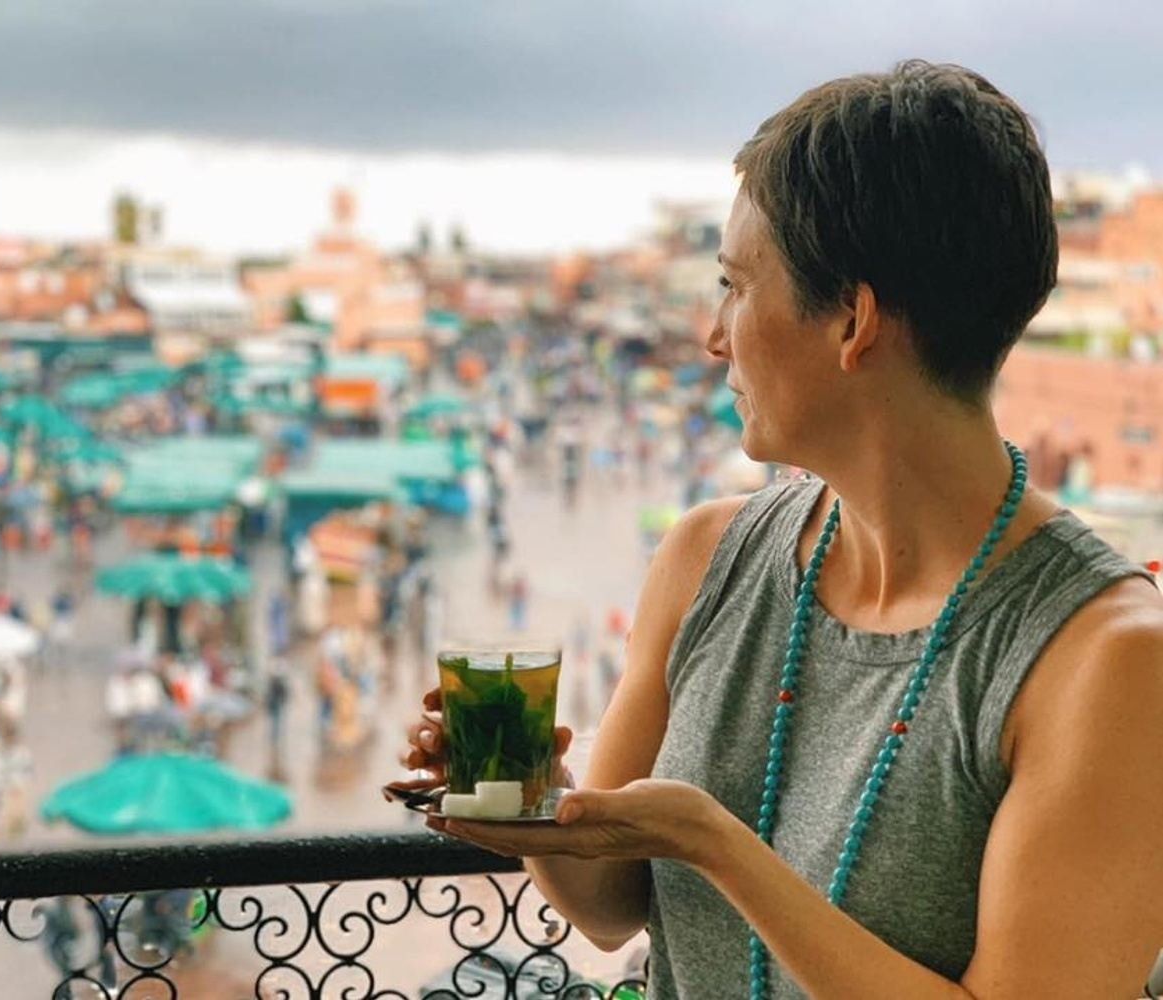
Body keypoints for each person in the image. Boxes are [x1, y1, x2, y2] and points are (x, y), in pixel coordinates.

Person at [402, 62, 1163, 998]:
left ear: (853, 319)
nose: (712, 336)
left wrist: (716, 843)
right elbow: (607, 910)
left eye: (733, 285)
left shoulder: (1103, 659)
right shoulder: (706, 559)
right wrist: (533, 805)